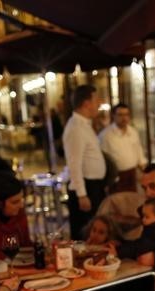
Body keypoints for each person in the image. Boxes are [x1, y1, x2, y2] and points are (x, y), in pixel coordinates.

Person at [63, 85, 106, 239]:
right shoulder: (76, 128)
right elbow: (74, 163)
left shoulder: (84, 125)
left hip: (93, 186)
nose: (99, 103)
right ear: (86, 103)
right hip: (86, 188)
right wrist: (82, 194)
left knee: (92, 230)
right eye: (96, 100)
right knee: (84, 232)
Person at [99, 103, 147, 193]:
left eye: (126, 114)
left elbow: (139, 152)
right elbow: (103, 159)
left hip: (132, 174)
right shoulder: (105, 135)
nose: (124, 118)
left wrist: (144, 171)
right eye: (120, 115)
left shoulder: (133, 132)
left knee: (132, 201)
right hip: (116, 177)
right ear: (113, 116)